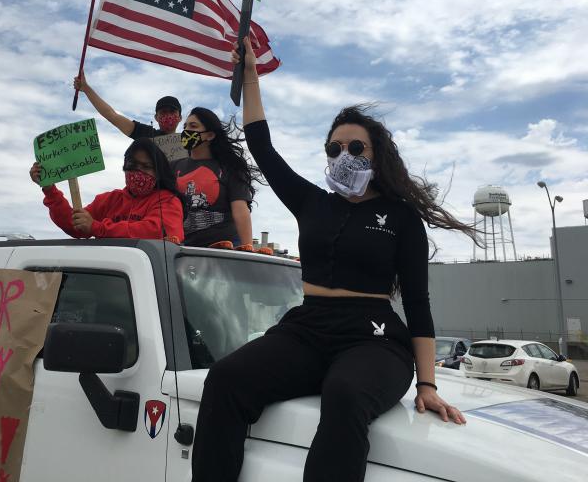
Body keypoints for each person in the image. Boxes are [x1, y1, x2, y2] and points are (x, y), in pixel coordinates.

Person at [190, 38, 478, 482]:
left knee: (344, 394)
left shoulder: (401, 217)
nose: (344, 156)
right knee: (226, 379)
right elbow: (261, 147)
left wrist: (427, 384)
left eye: (355, 148)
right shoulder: (312, 202)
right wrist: (249, 73)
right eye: (334, 148)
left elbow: (418, 305)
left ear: (376, 154)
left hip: (375, 339)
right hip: (308, 328)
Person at [29, 138, 184, 242]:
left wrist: (98, 227)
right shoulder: (109, 200)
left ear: (159, 172)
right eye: (133, 165)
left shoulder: (168, 200)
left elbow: (156, 231)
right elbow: (75, 225)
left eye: (147, 167)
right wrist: (49, 189)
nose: (138, 172)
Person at [173, 107, 260, 249]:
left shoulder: (231, 167)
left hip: (224, 248)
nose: (186, 131)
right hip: (184, 248)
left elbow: (240, 209)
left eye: (193, 126)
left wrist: (247, 249)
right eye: (185, 126)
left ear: (210, 135)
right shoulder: (174, 167)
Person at [73, 72, 182, 139]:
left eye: (172, 111)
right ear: (156, 117)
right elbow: (112, 116)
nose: (168, 115)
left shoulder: (190, 141)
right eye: (163, 112)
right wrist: (87, 89)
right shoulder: (147, 135)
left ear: (180, 118)